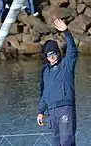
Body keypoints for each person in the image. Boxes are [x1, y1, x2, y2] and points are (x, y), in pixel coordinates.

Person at [37, 18, 77, 146]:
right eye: (49, 55)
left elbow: (72, 50)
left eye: (54, 54)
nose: (52, 57)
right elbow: (45, 93)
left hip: (65, 109)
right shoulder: (45, 72)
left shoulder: (66, 64)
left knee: (67, 142)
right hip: (51, 112)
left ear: (58, 53)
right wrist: (40, 111)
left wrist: (66, 32)